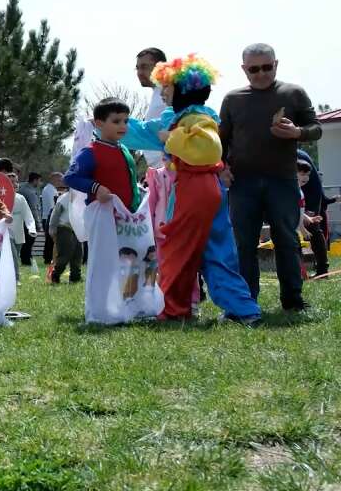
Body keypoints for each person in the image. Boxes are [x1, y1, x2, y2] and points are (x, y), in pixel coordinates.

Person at [134, 55, 261, 323]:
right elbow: (144, 132)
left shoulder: (195, 119)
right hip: (206, 187)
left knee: (178, 247)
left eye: (167, 87)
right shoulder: (188, 116)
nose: (163, 92)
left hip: (195, 186)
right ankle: (243, 310)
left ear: (183, 90)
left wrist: (172, 139)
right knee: (217, 250)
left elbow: (207, 149)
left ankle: (173, 309)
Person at [219, 43, 321, 312]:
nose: (261, 73)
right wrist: (221, 168)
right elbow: (221, 140)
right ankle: (244, 303)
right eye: (254, 69)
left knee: (287, 239)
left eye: (267, 67)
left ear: (276, 64)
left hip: (283, 180)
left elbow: (317, 129)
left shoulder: (293, 93)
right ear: (244, 69)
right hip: (243, 182)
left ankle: (293, 301)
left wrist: (298, 132)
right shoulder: (232, 99)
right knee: (243, 243)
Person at [64, 98, 142, 212]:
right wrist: (96, 188)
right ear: (99, 124)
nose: (123, 126)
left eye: (125, 121)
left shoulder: (124, 149)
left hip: (128, 218)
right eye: (116, 121)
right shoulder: (90, 152)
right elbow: (70, 177)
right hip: (103, 217)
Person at [297, 150, 334, 277]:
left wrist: (309, 212)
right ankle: (299, 271)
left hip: (310, 195)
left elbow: (314, 186)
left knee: (312, 228)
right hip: (296, 194)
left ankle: (322, 269)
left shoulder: (299, 157)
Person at [136, 48, 170, 167]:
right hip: (159, 171)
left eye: (144, 67)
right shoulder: (157, 92)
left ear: (160, 67)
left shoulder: (171, 92)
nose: (139, 72)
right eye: (137, 68)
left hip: (171, 168)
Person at [47, 189, 82, 284]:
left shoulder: (83, 198)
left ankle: (75, 277)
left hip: (77, 229)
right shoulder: (64, 198)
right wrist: (52, 228)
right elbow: (56, 213)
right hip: (64, 227)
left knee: (77, 254)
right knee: (65, 254)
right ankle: (55, 275)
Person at [40, 172, 61, 265]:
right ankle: (48, 258)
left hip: (50, 216)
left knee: (50, 240)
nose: (60, 182)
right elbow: (52, 205)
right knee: (49, 240)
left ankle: (49, 257)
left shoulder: (51, 189)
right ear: (54, 179)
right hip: (49, 217)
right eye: (59, 179)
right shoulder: (49, 190)